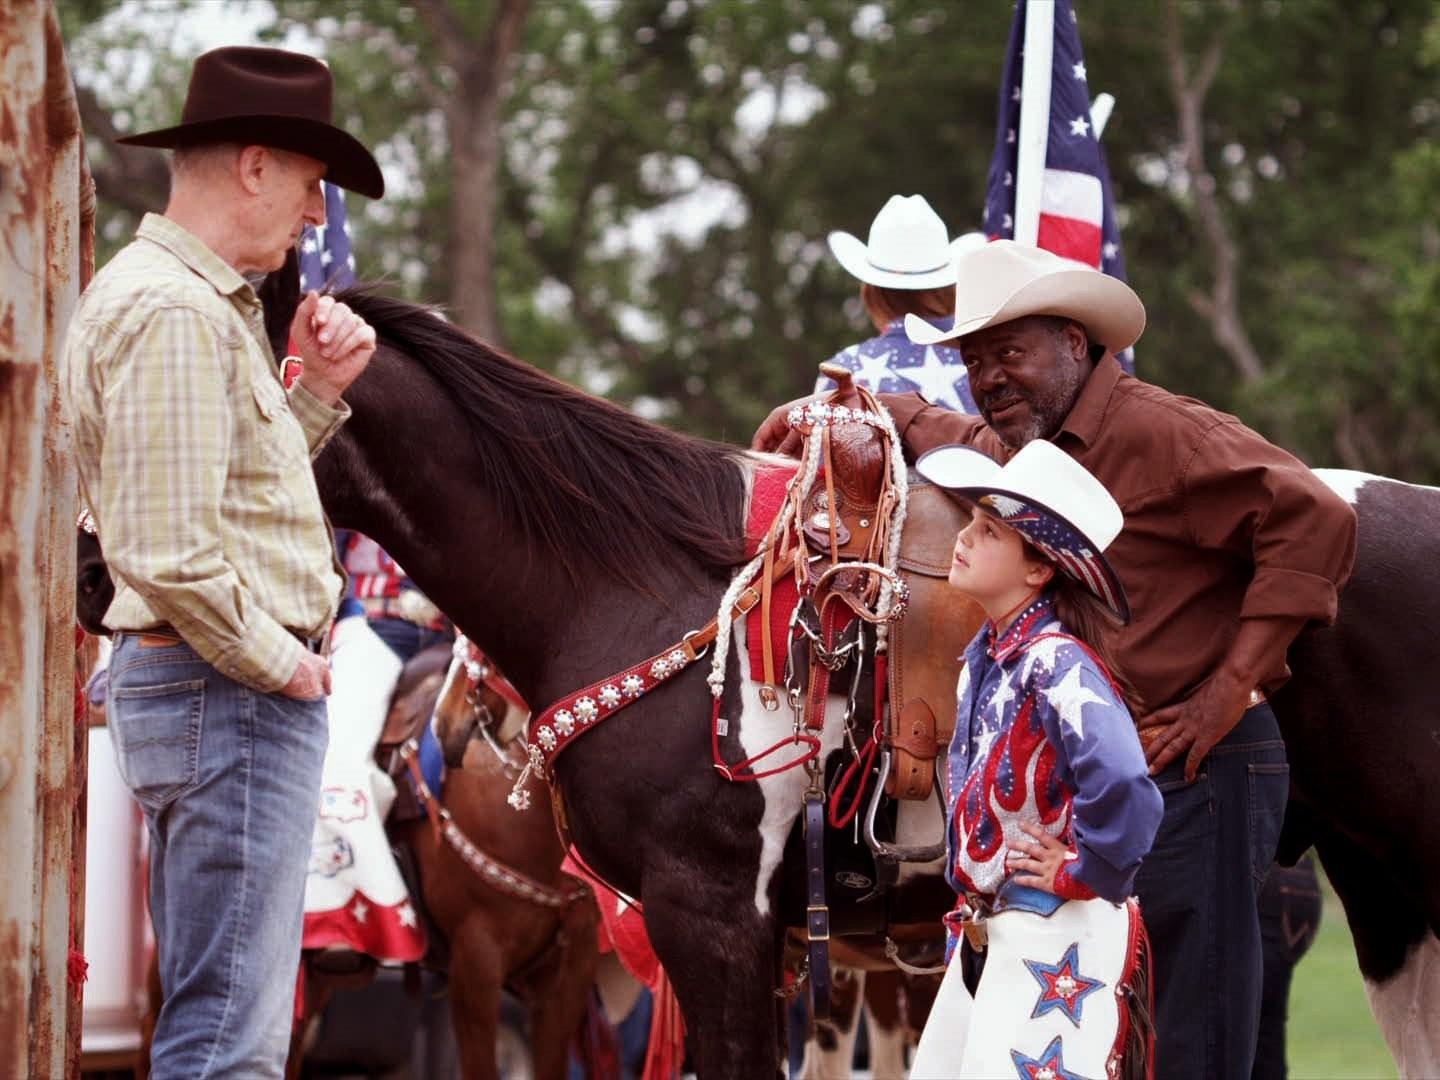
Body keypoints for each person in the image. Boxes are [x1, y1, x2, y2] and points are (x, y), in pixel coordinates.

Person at [753, 240, 1358, 1078]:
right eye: (973, 360)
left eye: (1010, 353)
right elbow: (952, 429)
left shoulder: (1164, 432)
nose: (990, 376)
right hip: (1124, 768)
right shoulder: (1029, 451)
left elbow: (1317, 520)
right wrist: (868, 409)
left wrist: (1232, 687)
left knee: (1197, 1022)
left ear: (1076, 343)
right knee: (1122, 1020)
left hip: (1205, 763)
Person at [64, 46, 384, 1078]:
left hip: (205, 687)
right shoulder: (176, 314)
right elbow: (169, 547)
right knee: (228, 1041)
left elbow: (224, 505)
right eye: (306, 187)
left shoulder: (182, 303)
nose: (312, 218)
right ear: (254, 165)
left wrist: (317, 392)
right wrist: (282, 665)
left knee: (221, 1019)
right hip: (230, 693)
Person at [907, 438, 1162, 1078]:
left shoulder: (1054, 662)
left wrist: (1085, 868)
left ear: (1038, 569)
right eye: (970, 522)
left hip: (1055, 933)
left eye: (988, 531)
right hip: (993, 932)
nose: (963, 538)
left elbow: (1125, 779)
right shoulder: (986, 662)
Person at [816, 194, 985, 411]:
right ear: (951, 284)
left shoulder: (843, 372)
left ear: (871, 291)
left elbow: (818, 442)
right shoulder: (990, 361)